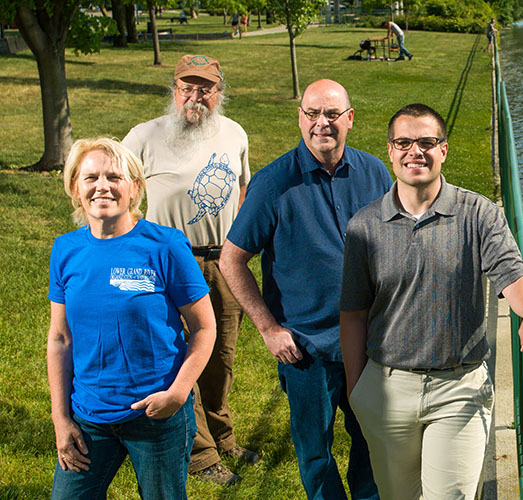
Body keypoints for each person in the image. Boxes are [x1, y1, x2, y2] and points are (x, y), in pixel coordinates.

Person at [339, 103, 523, 500]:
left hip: (458, 389)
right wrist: (358, 390)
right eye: (404, 142)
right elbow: (353, 313)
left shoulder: (478, 214)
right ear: (390, 150)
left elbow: (512, 270)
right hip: (387, 391)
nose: (414, 152)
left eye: (426, 142)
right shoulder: (364, 226)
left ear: (444, 150)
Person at [219, 79, 391, 499]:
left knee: (373, 444)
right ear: (300, 118)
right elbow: (231, 259)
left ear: (349, 119)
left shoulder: (375, 173)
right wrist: (268, 328)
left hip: (368, 343)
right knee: (316, 454)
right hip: (306, 350)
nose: (322, 124)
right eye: (312, 113)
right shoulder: (273, 183)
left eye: (332, 114)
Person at [48, 138, 216, 500]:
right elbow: (60, 339)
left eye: (114, 177)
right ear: (76, 189)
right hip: (89, 415)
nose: (102, 186)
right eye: (90, 177)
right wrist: (61, 420)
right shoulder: (65, 250)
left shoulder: (166, 245)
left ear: (135, 187)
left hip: (157, 416)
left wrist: (177, 393)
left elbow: (204, 327)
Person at [122, 54, 255, 486]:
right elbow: (119, 191)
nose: (195, 96)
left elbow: (242, 188)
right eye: (187, 87)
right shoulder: (145, 136)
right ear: (174, 89)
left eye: (206, 88)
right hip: (169, 264)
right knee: (182, 357)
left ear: (219, 91)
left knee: (222, 356)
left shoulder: (234, 133)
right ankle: (200, 455)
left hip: (223, 259)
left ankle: (223, 435)